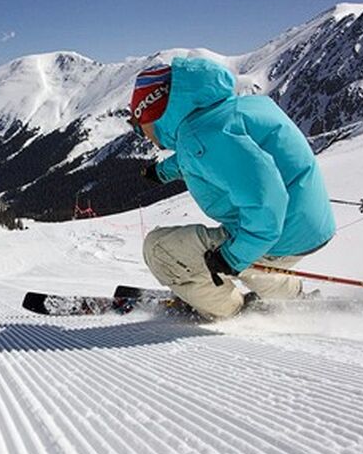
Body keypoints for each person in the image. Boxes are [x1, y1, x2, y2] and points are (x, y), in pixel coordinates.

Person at [129, 57, 336, 319]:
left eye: (138, 127)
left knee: (159, 249)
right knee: (250, 246)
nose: (142, 135)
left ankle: (229, 309)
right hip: (307, 226)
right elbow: (210, 157)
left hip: (278, 231)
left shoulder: (203, 135)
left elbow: (266, 201)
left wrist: (232, 257)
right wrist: (161, 173)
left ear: (152, 112)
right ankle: (290, 295)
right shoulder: (231, 111)